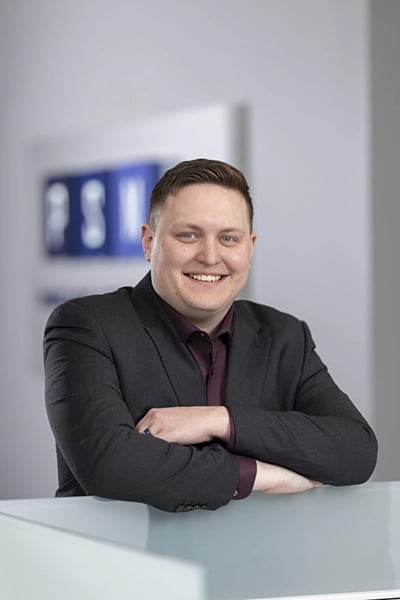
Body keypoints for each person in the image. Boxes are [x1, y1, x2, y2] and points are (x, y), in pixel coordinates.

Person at [44, 158, 378, 513]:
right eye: (188, 235)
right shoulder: (87, 325)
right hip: (124, 563)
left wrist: (221, 420)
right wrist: (258, 476)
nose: (209, 256)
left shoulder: (284, 336)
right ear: (148, 241)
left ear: (249, 247)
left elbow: (355, 450)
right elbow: (108, 464)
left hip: (255, 565)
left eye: (228, 238)